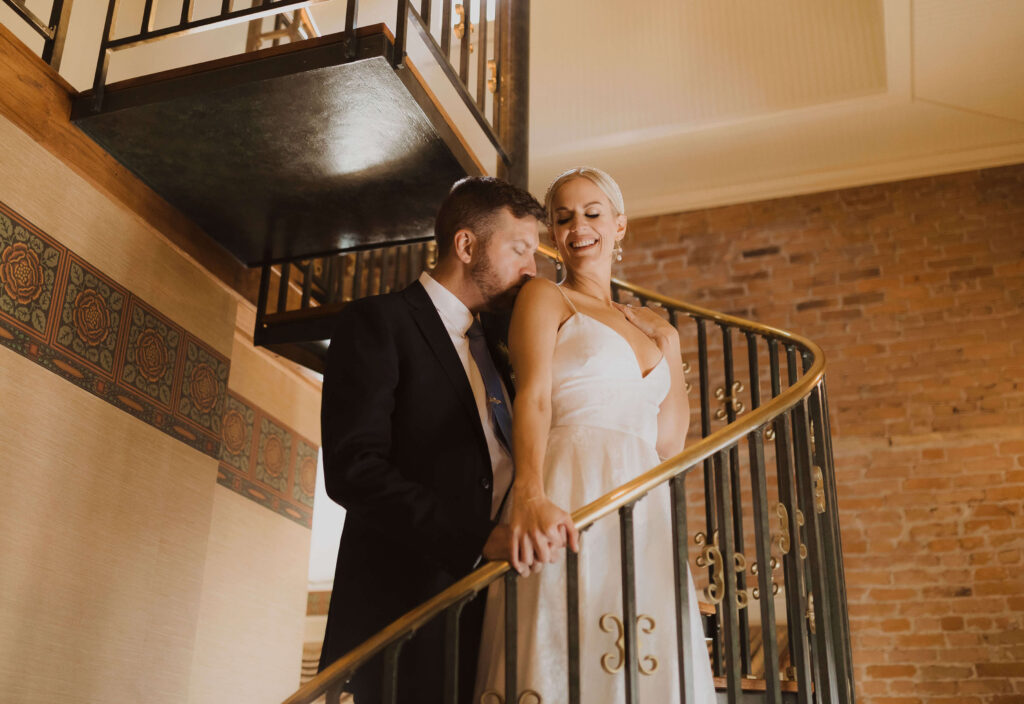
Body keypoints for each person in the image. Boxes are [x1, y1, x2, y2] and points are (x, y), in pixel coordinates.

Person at [475, 167, 717, 702]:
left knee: (643, 646)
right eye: (562, 218)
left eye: (592, 213)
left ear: (619, 225)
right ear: (554, 235)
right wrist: (531, 494)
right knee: (570, 638)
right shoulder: (544, 297)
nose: (577, 226)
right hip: (571, 480)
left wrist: (671, 346)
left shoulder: (651, 324)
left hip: (641, 496)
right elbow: (532, 399)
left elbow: (669, 443)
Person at [318, 176, 549, 704]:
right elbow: (355, 469)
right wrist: (474, 539)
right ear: (466, 246)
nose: (532, 269)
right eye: (519, 249)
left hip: (493, 612)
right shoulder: (377, 323)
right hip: (407, 610)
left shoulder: (499, 343)